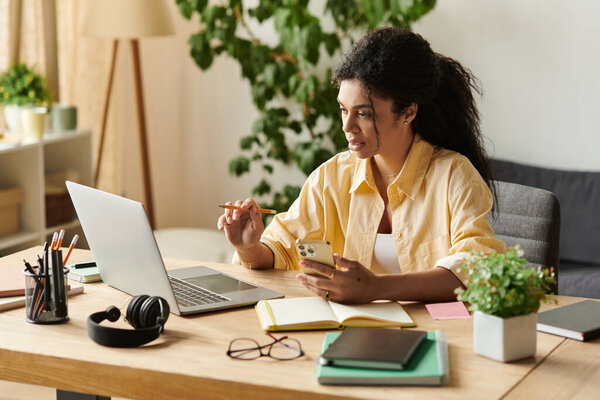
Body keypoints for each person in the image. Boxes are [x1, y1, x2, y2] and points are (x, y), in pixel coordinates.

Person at [217, 27, 505, 304]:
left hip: (436, 335)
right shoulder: (331, 178)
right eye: (343, 109)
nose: (347, 126)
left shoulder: (454, 175)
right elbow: (281, 249)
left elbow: (478, 268)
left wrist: (376, 288)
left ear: (408, 112)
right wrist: (249, 248)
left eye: (363, 114)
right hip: (347, 332)